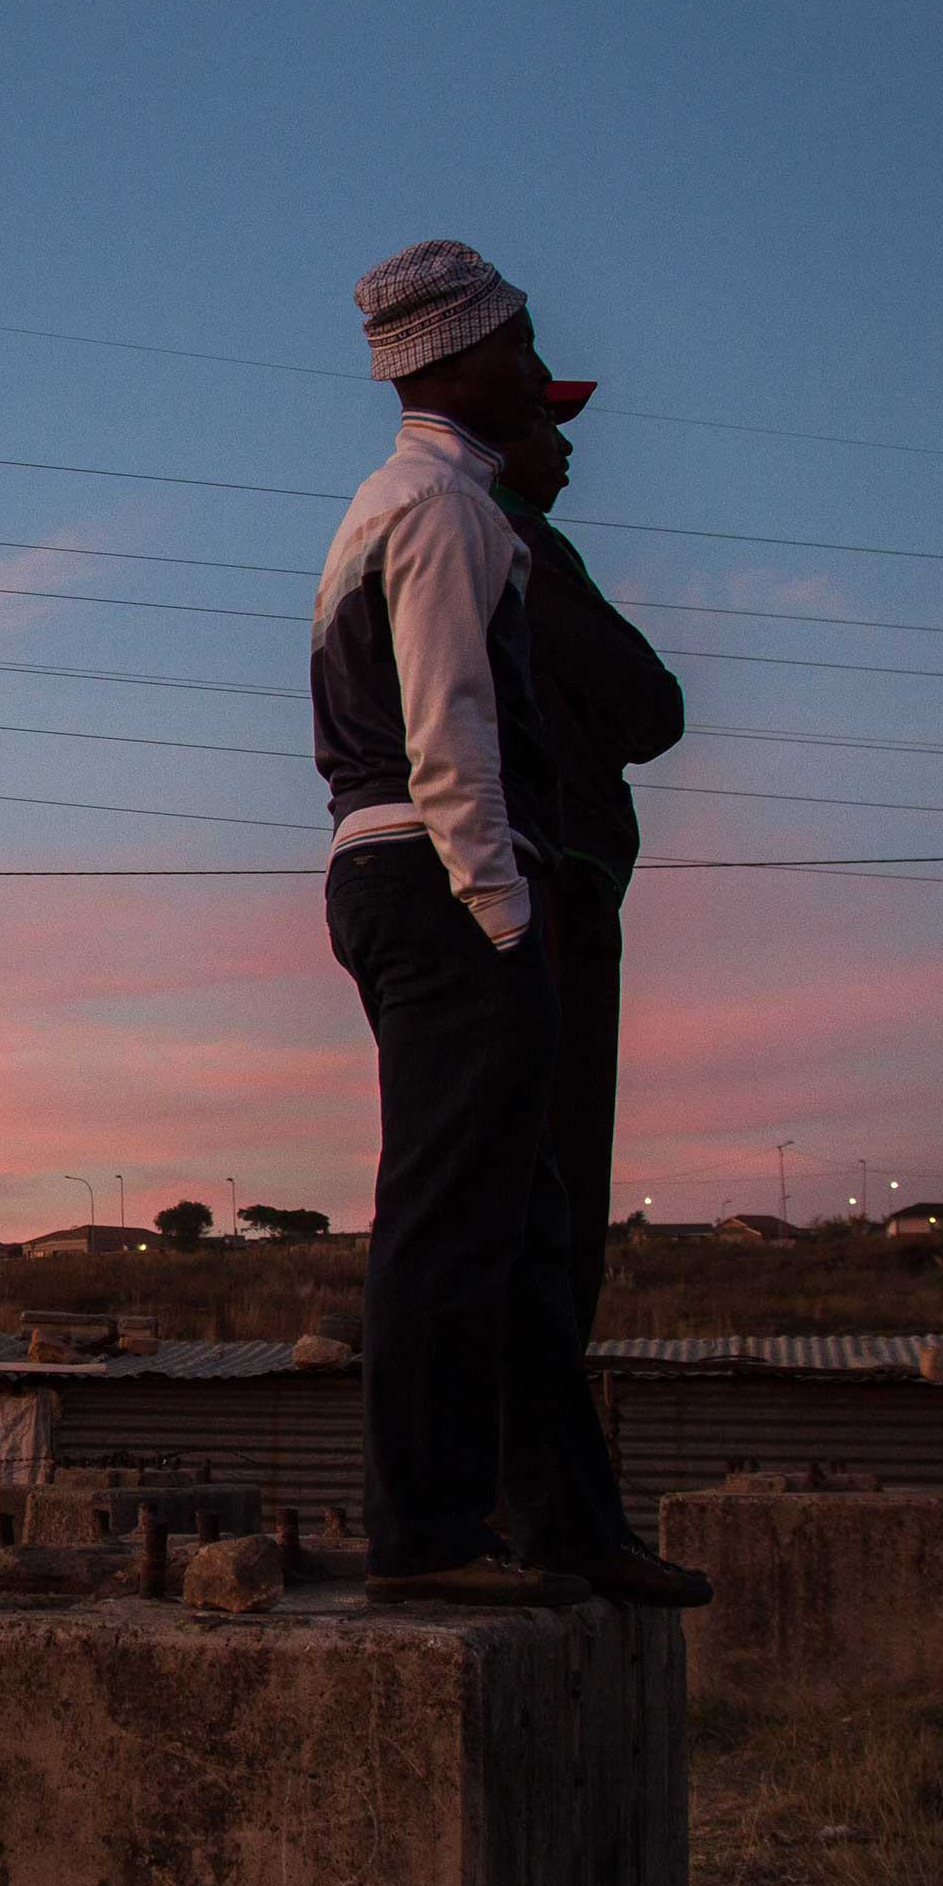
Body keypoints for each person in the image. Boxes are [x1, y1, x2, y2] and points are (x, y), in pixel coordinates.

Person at [311, 239, 704, 1609]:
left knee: (520, 1221)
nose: (540, 380)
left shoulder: (430, 504)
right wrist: (506, 914)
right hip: (446, 880)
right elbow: (449, 739)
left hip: (432, 879)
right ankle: (423, 1537)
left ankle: (567, 1525)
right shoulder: (441, 512)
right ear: (456, 362)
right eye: (524, 353)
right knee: (452, 1218)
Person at [492, 382, 684, 1344]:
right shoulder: (518, 543)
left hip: (523, 875)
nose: (566, 450)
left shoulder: (439, 537)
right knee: (558, 1177)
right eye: (543, 425)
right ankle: (539, 1465)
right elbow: (652, 706)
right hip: (556, 879)